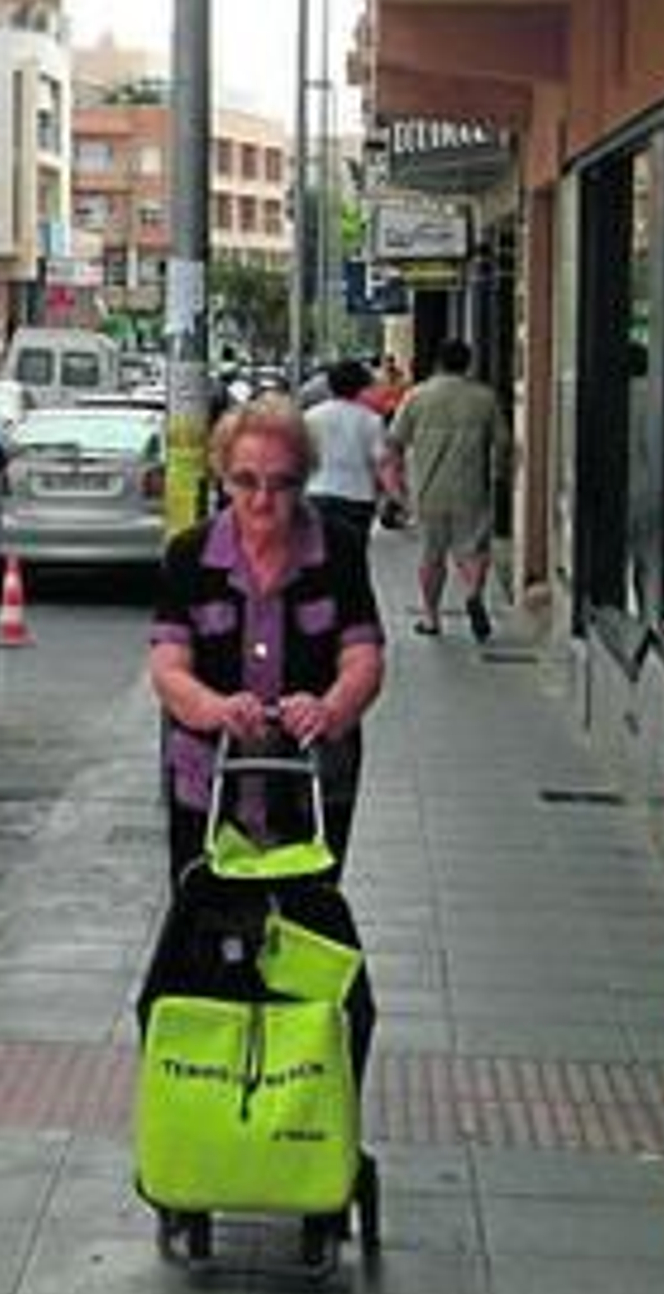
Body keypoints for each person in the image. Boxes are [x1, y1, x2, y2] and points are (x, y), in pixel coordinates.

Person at [150, 396, 386, 884]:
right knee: (208, 912)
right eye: (246, 481)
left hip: (311, 782)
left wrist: (329, 710)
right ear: (222, 477)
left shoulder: (339, 550)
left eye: (282, 484)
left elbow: (364, 657)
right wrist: (215, 708)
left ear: (305, 480)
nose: (262, 500)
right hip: (207, 783)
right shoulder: (189, 555)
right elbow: (168, 667)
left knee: (304, 913)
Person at [387, 338, 510, 642]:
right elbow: (503, 442)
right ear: (468, 364)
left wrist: (398, 486)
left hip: (429, 490)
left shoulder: (417, 396)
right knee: (473, 551)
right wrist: (499, 475)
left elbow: (395, 442)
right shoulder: (484, 398)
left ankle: (431, 618)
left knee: (432, 557)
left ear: (438, 363)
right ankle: (473, 593)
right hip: (471, 488)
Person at [304, 359, 396, 548]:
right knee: (354, 557)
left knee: (320, 556)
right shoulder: (371, 420)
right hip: (357, 500)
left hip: (316, 496)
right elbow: (382, 464)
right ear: (362, 386)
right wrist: (395, 496)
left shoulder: (310, 417)